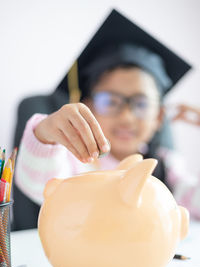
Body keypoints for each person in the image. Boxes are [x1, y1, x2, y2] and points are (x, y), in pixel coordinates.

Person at [12, 9, 200, 230]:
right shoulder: (76, 162)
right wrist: (45, 136)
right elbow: (41, 185)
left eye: (141, 104)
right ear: (88, 107)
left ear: (159, 117)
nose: (126, 117)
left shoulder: (167, 166)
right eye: (111, 102)